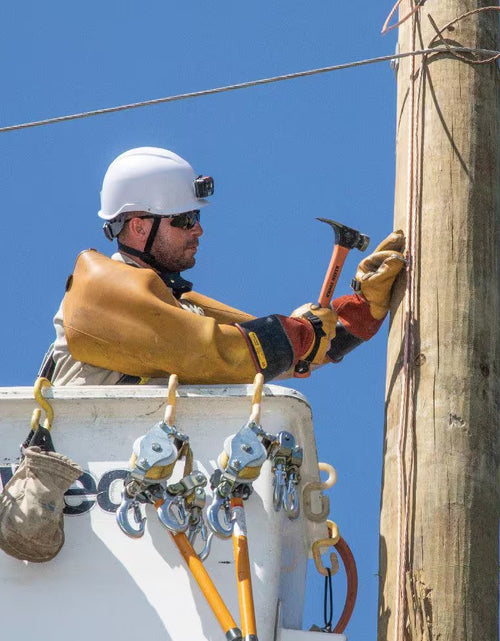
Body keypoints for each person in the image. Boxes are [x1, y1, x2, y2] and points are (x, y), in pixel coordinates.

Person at [42, 146, 405, 386]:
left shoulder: (175, 308)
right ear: (138, 226)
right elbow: (218, 352)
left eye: (196, 217)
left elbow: (285, 354)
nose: (198, 229)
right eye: (183, 219)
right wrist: (300, 335)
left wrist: (364, 306)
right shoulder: (99, 291)